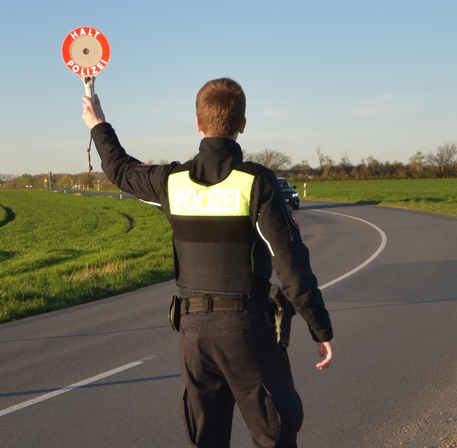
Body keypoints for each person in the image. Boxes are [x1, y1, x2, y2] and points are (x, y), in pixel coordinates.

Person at [81, 78, 333, 448]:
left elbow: (120, 169)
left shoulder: (173, 181)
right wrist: (319, 328)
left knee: (206, 440)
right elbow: (290, 261)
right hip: (247, 331)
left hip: (193, 334)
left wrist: (98, 124)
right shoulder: (257, 182)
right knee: (275, 432)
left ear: (198, 122)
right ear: (242, 123)